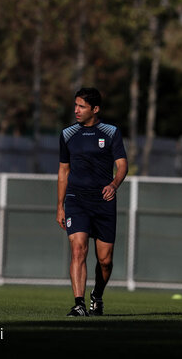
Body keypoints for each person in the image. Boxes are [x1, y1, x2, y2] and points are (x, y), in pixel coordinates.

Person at [56, 88, 128, 317]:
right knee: (78, 250)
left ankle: (97, 296)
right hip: (76, 200)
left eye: (81, 106)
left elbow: (122, 165)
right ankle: (79, 304)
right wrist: (59, 205)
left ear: (95, 109)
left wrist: (114, 185)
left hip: (104, 202)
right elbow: (63, 171)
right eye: (75, 105)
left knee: (105, 261)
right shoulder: (67, 134)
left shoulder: (111, 132)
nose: (76, 110)